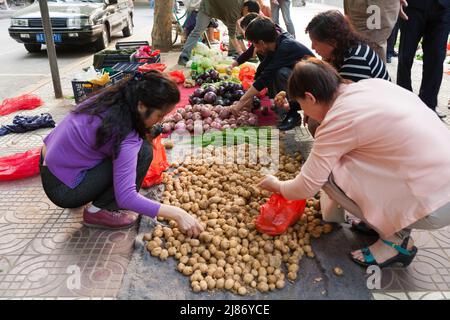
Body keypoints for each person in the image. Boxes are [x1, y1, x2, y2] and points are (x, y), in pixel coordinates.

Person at [258, 58, 450, 268]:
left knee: (328, 175)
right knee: (351, 160)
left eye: (302, 105)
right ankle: (383, 219)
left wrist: (276, 185)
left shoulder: (339, 120)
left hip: (436, 206)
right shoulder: (371, 86)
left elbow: (306, 186)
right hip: (440, 181)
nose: (304, 112)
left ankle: (395, 241)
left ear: (311, 98)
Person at [39, 71, 204, 237]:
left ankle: (91, 195)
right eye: (160, 115)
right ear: (141, 106)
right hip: (63, 189)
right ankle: (99, 211)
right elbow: (126, 197)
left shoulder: (114, 97)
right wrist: (178, 213)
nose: (161, 120)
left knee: (138, 146)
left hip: (50, 161)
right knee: (144, 151)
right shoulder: (125, 134)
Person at [299, 10, 390, 137]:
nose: (313, 47)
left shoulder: (355, 60)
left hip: (379, 117)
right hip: (365, 108)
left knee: (316, 121)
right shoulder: (340, 52)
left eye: (316, 43)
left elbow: (341, 104)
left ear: (333, 42)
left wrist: (311, 109)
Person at [231, 16, 314, 131]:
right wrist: (248, 97)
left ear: (261, 42)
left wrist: (241, 101)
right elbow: (262, 70)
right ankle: (283, 109)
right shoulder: (275, 43)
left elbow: (266, 75)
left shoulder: (285, 46)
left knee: (280, 73)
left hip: (311, 85)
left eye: (254, 44)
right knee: (272, 73)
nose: (254, 48)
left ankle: (292, 115)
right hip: (299, 79)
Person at [397, 0, 450, 119]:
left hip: (443, 8)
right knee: (406, 55)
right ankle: (404, 102)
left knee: (436, 57)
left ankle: (428, 106)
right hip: (413, 6)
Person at [178, 0, 248, 66]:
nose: (245, 16)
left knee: (234, 30)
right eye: (247, 14)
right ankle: (184, 56)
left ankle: (233, 53)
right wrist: (240, 51)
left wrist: (241, 30)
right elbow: (232, 32)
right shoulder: (235, 8)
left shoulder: (239, 6)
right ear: (246, 8)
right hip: (208, 7)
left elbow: (234, 21)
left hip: (221, 11)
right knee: (197, 31)